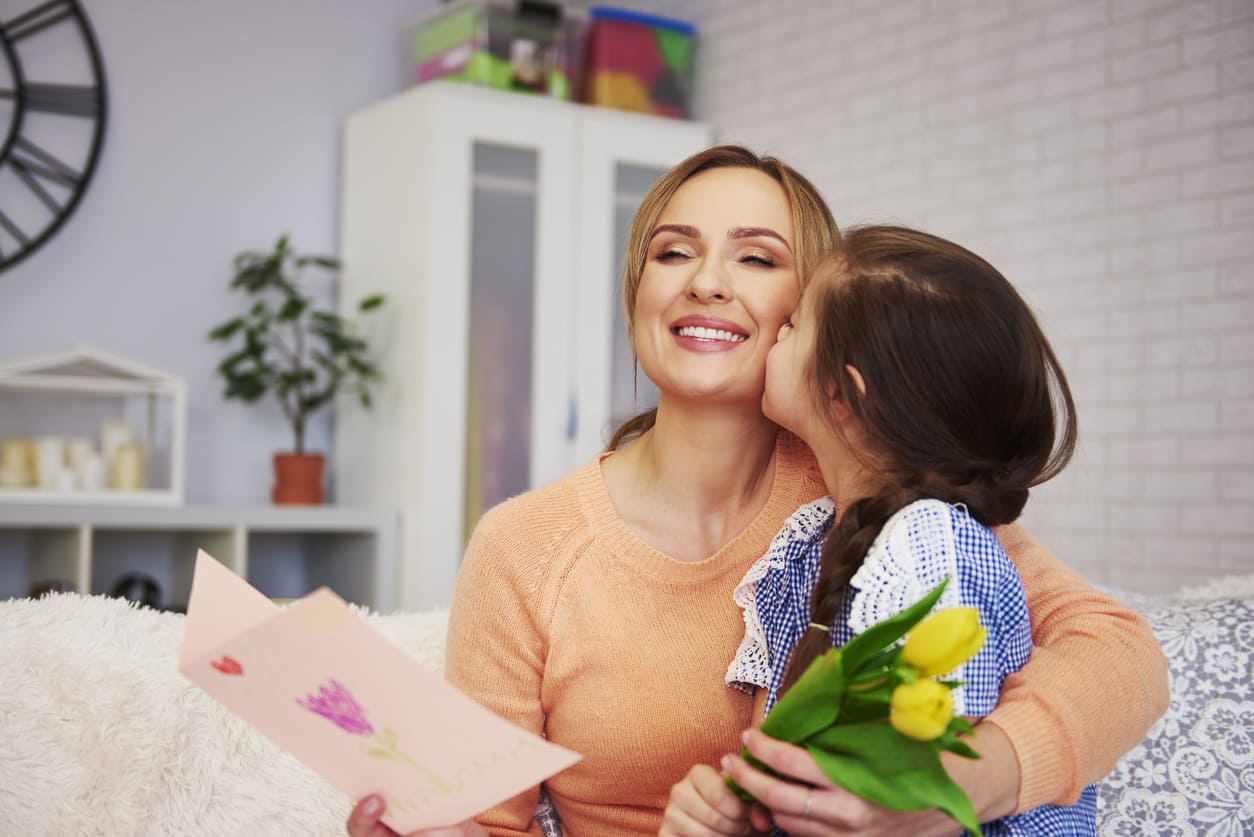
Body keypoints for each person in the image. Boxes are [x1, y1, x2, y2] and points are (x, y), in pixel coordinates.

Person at [347, 146, 1167, 837]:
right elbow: (490, 821)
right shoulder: (524, 544)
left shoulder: (883, 500)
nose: (706, 280)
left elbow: (1119, 652)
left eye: (756, 256)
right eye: (673, 252)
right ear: (636, 295)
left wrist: (940, 795)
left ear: (812, 310)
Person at [662, 225, 1098, 836]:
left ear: (844, 393)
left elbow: (904, 794)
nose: (776, 336)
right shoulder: (816, 536)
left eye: (793, 327)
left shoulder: (930, 547)